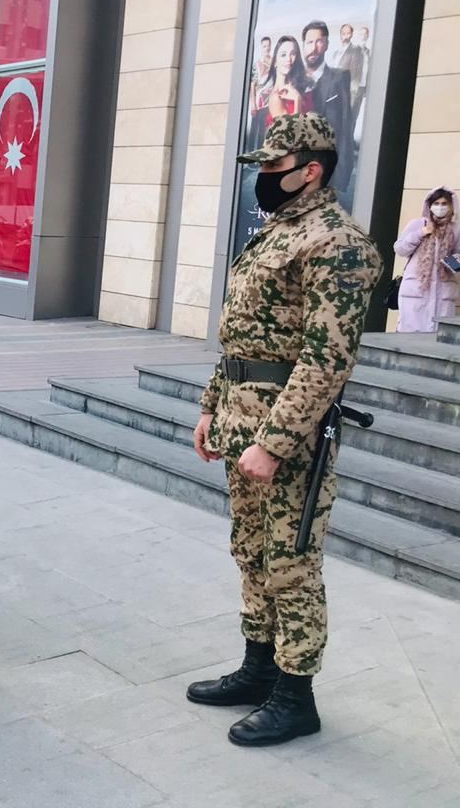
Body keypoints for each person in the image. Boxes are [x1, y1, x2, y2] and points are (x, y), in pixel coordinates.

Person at [191, 113, 381, 747]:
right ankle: (258, 668)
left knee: (291, 563)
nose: (264, 178)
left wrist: (274, 444)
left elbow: (326, 359)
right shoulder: (278, 231)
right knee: (250, 551)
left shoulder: (338, 243)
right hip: (239, 418)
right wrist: (211, 407)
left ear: (311, 171)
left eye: (274, 167)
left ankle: (296, 697)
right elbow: (240, 338)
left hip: (288, 437)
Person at [394, 187, 460, 333]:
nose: (440, 207)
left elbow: (458, 260)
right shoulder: (418, 224)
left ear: (451, 206)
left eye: (444, 203)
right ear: (429, 206)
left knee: (437, 335)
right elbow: (400, 249)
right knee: (410, 334)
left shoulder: (456, 229)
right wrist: (421, 233)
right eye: (436, 203)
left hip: (443, 292)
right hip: (416, 290)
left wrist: (449, 261)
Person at [300, 22, 354, 191]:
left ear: (327, 44)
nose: (313, 48)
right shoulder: (294, 81)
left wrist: (341, 177)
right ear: (303, 46)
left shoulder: (339, 78)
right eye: (309, 42)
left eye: (319, 41)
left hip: (326, 175)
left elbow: (345, 128)